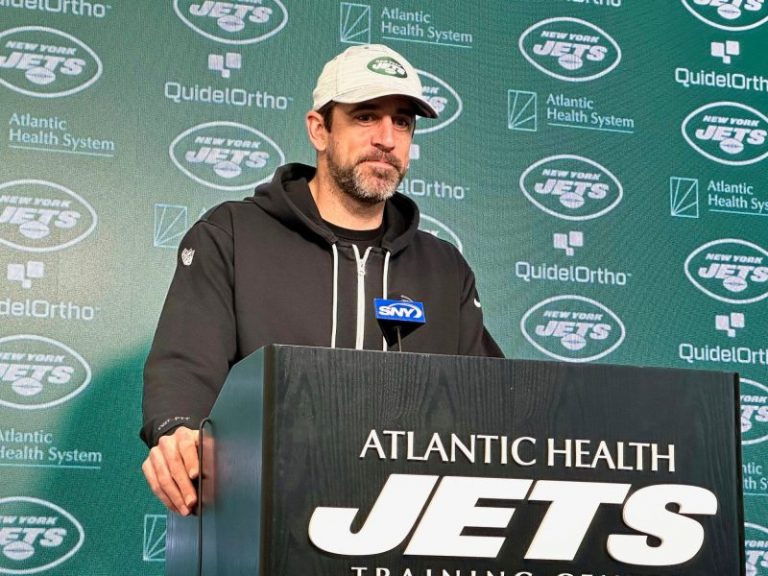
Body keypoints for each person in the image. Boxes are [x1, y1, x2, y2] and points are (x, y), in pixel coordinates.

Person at [141, 44, 503, 515]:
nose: (387, 139)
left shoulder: (444, 268)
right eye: (366, 117)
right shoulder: (232, 235)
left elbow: (492, 403)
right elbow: (185, 365)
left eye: (402, 122)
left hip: (410, 523)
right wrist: (177, 431)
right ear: (319, 129)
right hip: (263, 512)